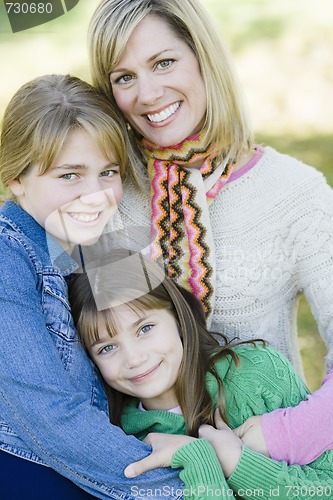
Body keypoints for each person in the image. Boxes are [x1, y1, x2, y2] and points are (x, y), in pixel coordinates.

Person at [88, 0, 333, 469]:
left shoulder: (295, 195)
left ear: (203, 56)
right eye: (124, 77)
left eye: (164, 63)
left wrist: (279, 437)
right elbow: (96, 343)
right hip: (142, 464)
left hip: (265, 463)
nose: (148, 94)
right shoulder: (114, 196)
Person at [0, 74, 196, 499]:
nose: (95, 196)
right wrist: (193, 484)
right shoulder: (6, 258)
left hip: (97, 460)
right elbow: (50, 418)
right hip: (28, 468)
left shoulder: (92, 249)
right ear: (17, 178)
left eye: (107, 172)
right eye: (70, 176)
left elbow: (183, 322)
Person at [68, 248, 333, 499]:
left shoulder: (256, 373)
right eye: (107, 348)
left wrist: (237, 463)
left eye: (145, 329)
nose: (135, 358)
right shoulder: (125, 440)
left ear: (177, 318)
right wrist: (198, 458)